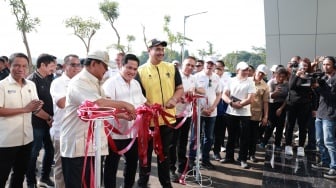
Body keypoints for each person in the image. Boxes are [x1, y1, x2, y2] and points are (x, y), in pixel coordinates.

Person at [60, 50, 136, 187]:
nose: (107, 71)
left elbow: (100, 110)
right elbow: (96, 104)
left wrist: (120, 114)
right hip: (77, 147)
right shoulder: (79, 82)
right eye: (105, 67)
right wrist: (125, 104)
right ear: (94, 63)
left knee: (93, 183)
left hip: (94, 145)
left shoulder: (95, 83)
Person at [135, 38, 184, 188]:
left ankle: (166, 183)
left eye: (162, 49)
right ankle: (143, 183)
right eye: (157, 49)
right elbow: (138, 96)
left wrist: (174, 100)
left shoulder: (171, 68)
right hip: (148, 122)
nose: (161, 52)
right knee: (145, 155)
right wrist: (151, 107)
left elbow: (180, 88)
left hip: (167, 120)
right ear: (149, 51)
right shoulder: (140, 71)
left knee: (165, 155)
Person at [102, 54, 147, 188]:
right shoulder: (111, 83)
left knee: (132, 164)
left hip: (133, 134)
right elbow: (105, 107)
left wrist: (150, 110)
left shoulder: (136, 83)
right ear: (121, 65)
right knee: (111, 166)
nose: (132, 72)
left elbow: (142, 104)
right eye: (129, 68)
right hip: (114, 134)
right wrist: (122, 114)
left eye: (135, 69)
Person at [0, 53, 43, 188]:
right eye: (17, 65)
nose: (21, 69)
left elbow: (33, 107)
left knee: (19, 174)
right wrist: (25, 109)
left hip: (27, 138)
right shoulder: (2, 86)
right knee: (2, 175)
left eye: (24, 66)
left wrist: (37, 106)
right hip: (7, 140)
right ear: (9, 65)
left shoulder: (30, 84)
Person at [168, 56, 204, 181]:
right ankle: (171, 169)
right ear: (182, 64)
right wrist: (180, 96)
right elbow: (170, 93)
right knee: (172, 143)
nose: (190, 68)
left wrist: (195, 90)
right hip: (174, 115)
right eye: (188, 64)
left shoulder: (193, 78)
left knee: (183, 142)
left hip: (187, 115)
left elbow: (202, 90)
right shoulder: (175, 76)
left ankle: (182, 166)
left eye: (193, 66)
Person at [49, 54, 82, 188]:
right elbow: (62, 103)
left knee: (75, 170)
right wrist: (84, 101)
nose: (76, 68)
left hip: (78, 133)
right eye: (72, 65)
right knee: (61, 167)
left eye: (78, 65)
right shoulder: (58, 82)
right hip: (61, 133)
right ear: (64, 66)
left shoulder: (80, 82)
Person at [26, 53, 57, 188]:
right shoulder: (32, 81)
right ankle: (30, 181)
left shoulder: (51, 78)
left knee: (50, 151)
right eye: (52, 65)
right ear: (43, 65)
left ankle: (44, 178)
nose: (54, 68)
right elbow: (34, 108)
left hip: (51, 123)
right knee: (34, 153)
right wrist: (49, 118)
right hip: (37, 124)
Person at [221, 61, 256, 169]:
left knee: (244, 137)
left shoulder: (250, 82)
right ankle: (229, 157)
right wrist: (231, 103)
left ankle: (243, 159)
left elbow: (251, 98)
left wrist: (240, 104)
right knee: (231, 136)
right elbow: (224, 95)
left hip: (244, 113)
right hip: (231, 112)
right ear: (237, 70)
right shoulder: (231, 81)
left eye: (247, 70)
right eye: (244, 70)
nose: (246, 72)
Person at [189, 57, 222, 170]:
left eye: (212, 64)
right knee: (195, 137)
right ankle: (191, 160)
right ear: (204, 64)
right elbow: (192, 94)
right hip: (198, 112)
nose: (210, 66)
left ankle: (205, 159)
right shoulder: (196, 77)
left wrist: (212, 107)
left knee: (209, 137)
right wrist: (202, 109)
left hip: (212, 113)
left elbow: (219, 94)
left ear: (214, 66)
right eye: (208, 63)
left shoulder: (217, 77)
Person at [311, 56, 336, 179]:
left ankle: (334, 167)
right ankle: (325, 161)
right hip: (320, 113)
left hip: (330, 114)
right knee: (319, 140)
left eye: (328, 65)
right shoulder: (324, 77)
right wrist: (316, 88)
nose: (325, 67)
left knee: (329, 142)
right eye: (324, 64)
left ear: (334, 65)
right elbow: (319, 95)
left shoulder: (335, 79)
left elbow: (332, 97)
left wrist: (320, 87)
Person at [284, 57, 313, 157]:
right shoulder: (293, 74)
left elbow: (310, 90)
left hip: (304, 106)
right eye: (302, 65)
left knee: (303, 127)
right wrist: (297, 75)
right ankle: (288, 145)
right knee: (290, 125)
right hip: (292, 105)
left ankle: (301, 147)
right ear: (299, 65)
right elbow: (291, 87)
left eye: (306, 65)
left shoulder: (309, 77)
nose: (304, 67)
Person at [259, 67, 288, 151]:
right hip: (272, 105)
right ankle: (264, 142)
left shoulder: (287, 84)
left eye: (283, 77)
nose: (281, 78)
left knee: (280, 126)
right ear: (276, 75)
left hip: (282, 106)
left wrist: (281, 108)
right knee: (270, 125)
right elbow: (268, 96)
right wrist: (275, 92)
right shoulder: (271, 83)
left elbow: (287, 98)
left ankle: (277, 144)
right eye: (280, 76)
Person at [247, 64, 269, 162]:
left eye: (263, 74)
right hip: (244, 111)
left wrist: (266, 116)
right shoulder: (247, 81)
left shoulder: (265, 85)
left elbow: (265, 102)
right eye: (260, 72)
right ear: (256, 71)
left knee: (253, 135)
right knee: (244, 135)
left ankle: (252, 154)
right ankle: (243, 155)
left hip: (256, 114)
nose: (261, 75)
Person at [212, 60, 229, 161]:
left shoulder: (228, 79)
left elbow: (227, 93)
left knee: (219, 133)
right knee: (208, 134)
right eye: (216, 68)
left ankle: (216, 151)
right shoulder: (210, 77)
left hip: (221, 109)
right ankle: (202, 153)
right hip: (209, 109)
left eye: (219, 68)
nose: (217, 70)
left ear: (223, 68)